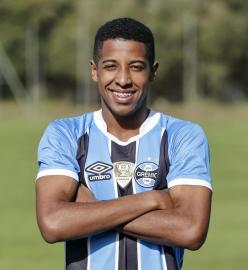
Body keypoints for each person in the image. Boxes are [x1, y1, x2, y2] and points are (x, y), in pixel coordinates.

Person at [35, 17, 212, 270]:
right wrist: (152, 200)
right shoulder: (65, 134)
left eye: (136, 67)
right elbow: (53, 224)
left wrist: (91, 210)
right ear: (94, 70)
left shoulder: (182, 136)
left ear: (153, 71)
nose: (123, 79)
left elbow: (191, 230)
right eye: (111, 66)